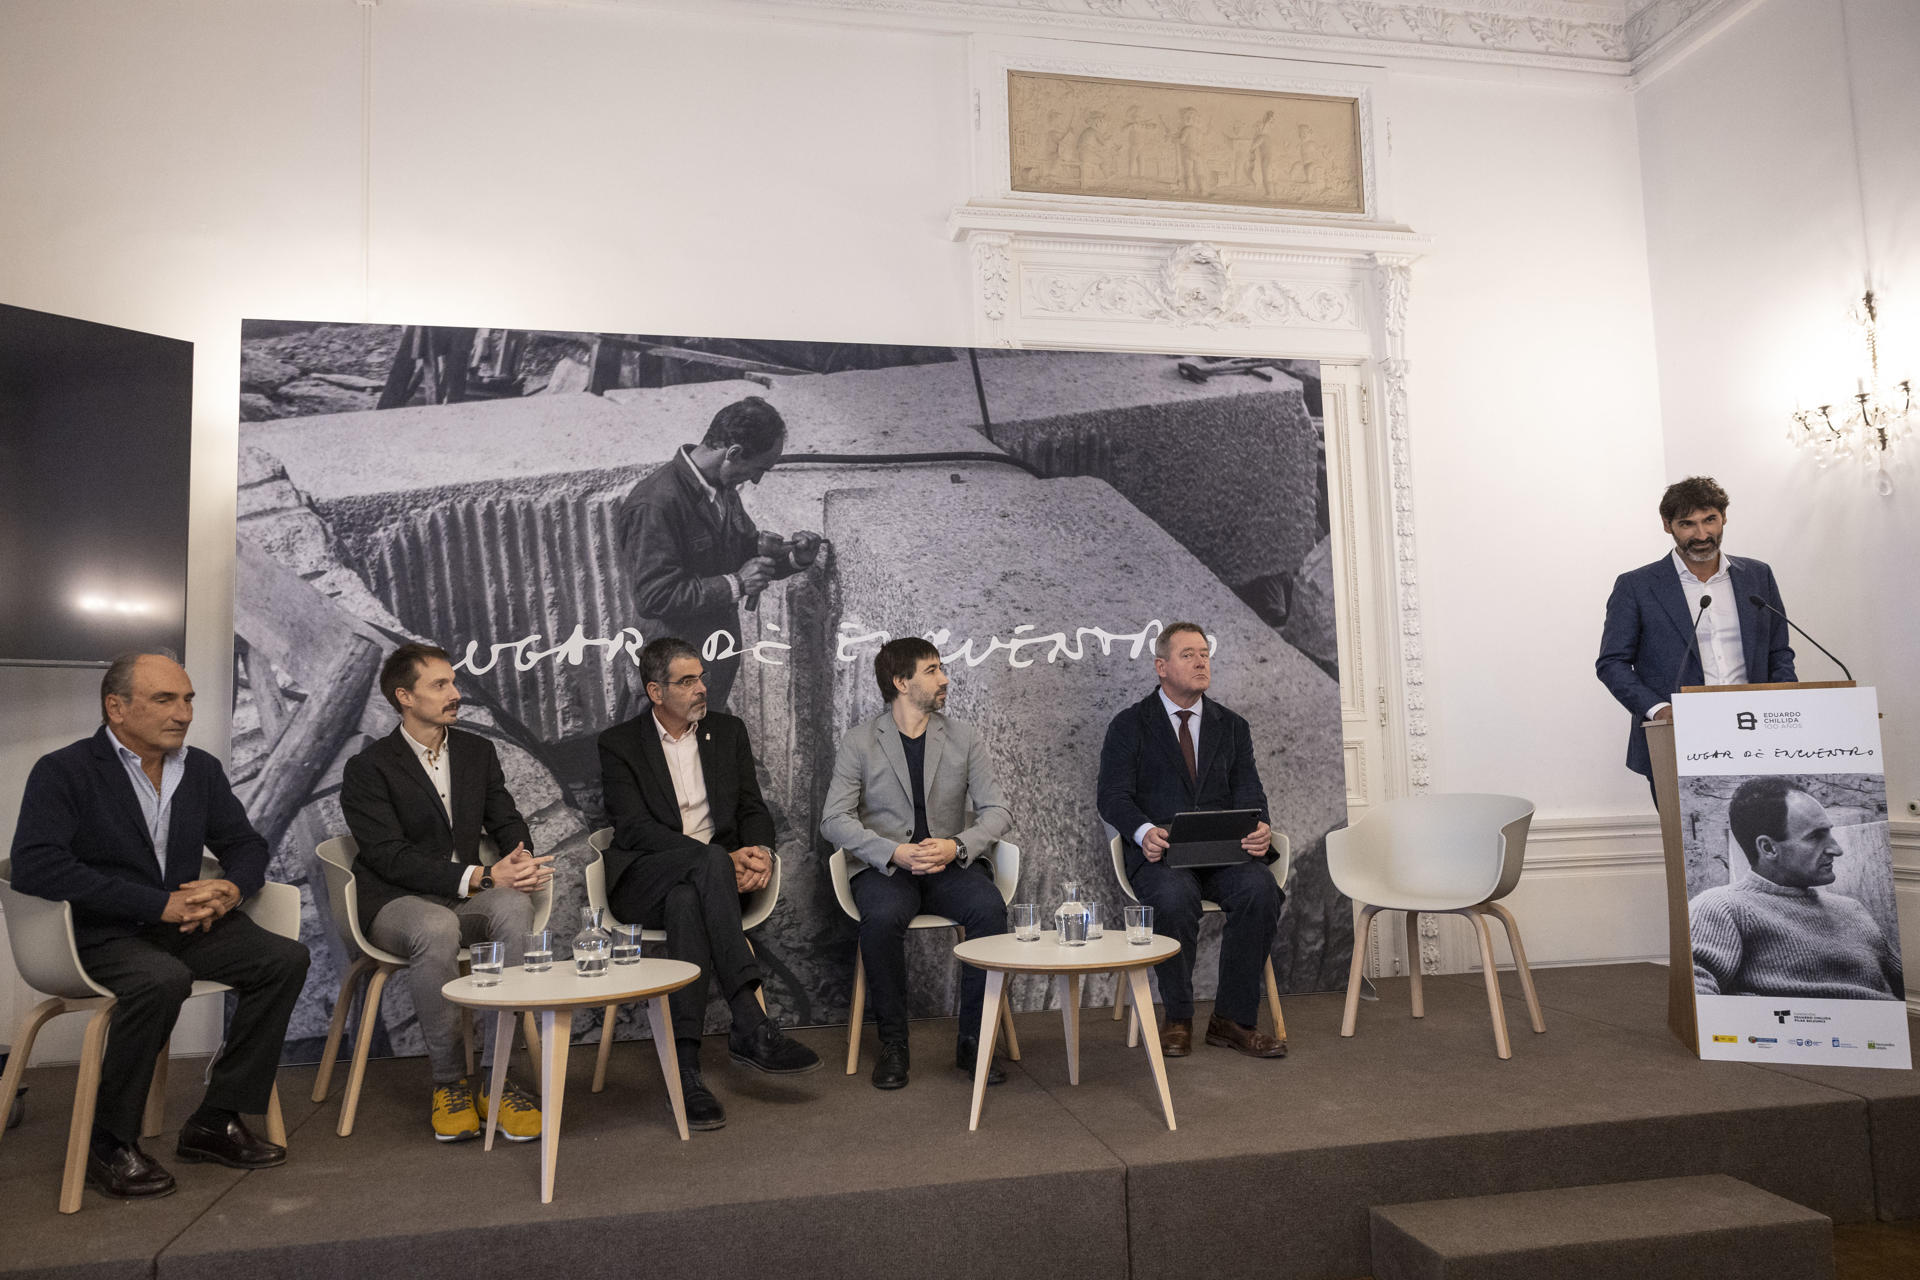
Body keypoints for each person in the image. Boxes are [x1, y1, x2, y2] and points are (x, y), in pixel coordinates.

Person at [9, 652, 310, 1199]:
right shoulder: (65, 770)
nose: (184, 713)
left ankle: (215, 1120)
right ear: (116, 707)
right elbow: (36, 864)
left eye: (188, 698)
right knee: (160, 980)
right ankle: (109, 1141)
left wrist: (230, 888)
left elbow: (245, 844)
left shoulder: (200, 769)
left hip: (179, 927)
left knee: (284, 959)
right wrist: (155, 904)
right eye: (165, 699)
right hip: (98, 935)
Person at [597, 637, 822, 1131]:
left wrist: (760, 850)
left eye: (701, 677)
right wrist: (717, 858)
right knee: (700, 871)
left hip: (702, 887)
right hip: (643, 879)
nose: (702, 688)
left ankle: (687, 1068)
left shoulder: (727, 732)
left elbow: (750, 807)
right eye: (688, 681)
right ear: (656, 691)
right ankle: (750, 1021)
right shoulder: (619, 744)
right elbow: (633, 828)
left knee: (687, 904)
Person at [339, 643, 553, 1145]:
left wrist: (518, 858)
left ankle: (500, 1078)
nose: (455, 694)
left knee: (514, 907)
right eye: (440, 685)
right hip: (395, 899)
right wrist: (479, 876)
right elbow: (388, 855)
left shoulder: (478, 752)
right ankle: (451, 1083)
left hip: (463, 895)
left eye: (453, 683)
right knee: (436, 928)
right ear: (404, 697)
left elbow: (505, 817)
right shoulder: (368, 768)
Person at [820, 637, 1014, 1090]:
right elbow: (833, 819)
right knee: (882, 918)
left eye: (941, 668)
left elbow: (998, 811)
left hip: (951, 867)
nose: (944, 678)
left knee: (989, 911)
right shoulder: (860, 742)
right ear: (901, 681)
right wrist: (892, 852)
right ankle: (893, 1045)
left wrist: (957, 847)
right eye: (932, 670)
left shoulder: (964, 737)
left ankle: (973, 1040)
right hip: (888, 869)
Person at [1096, 622, 1285, 1059]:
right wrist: (1144, 832)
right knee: (1174, 899)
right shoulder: (1129, 725)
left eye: (1205, 653)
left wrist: (1261, 828)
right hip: (1161, 855)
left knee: (1260, 890)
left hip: (1224, 852)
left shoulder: (1232, 726)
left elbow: (1250, 792)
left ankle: (1233, 1021)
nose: (1201, 662)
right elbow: (1112, 797)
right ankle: (1178, 1017)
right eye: (1188, 655)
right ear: (1161, 667)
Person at [613, 396, 822, 713]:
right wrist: (736, 584)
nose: (755, 479)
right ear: (734, 453)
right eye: (757, 469)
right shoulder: (656, 504)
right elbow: (654, 597)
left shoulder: (721, 490)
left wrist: (795, 558)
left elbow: (746, 551)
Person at [1596, 476, 1796, 796]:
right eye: (1687, 524)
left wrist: (1783, 703)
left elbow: (1778, 651)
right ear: (1667, 525)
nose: (1702, 534)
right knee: (1687, 844)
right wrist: (1658, 709)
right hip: (1677, 737)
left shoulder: (1758, 576)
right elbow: (1612, 663)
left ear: (1724, 517)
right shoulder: (1636, 586)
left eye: (1710, 520)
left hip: (1756, 734)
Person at [1691, 777, 1903, 1000]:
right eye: (1815, 837)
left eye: (1829, 833)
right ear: (1768, 848)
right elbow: (1696, 997)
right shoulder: (1722, 907)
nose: (1836, 849)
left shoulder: (1852, 909)